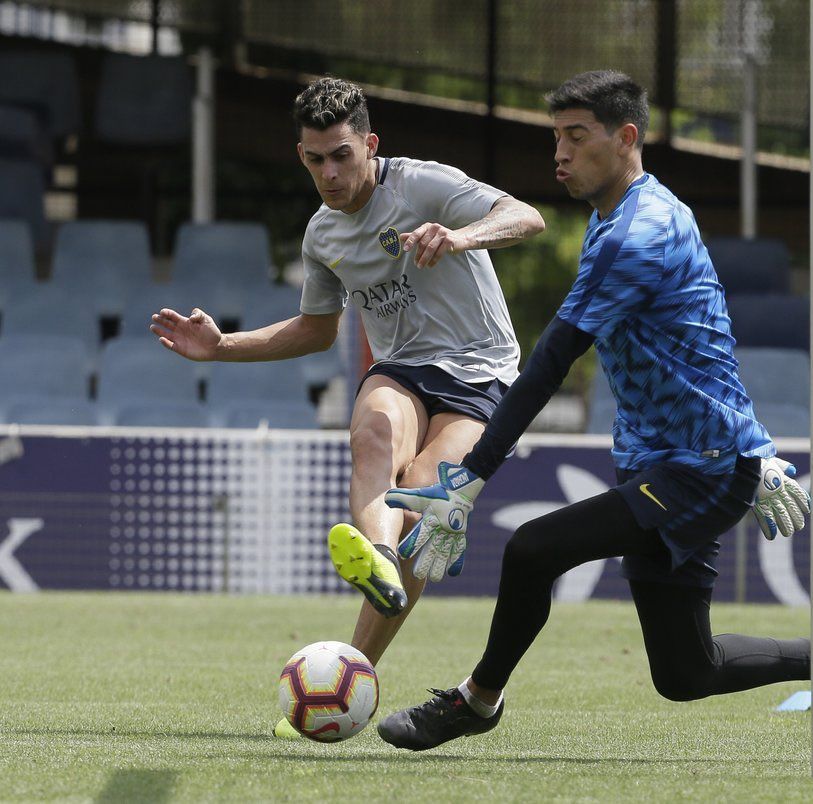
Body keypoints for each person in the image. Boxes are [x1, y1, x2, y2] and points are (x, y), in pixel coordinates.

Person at [373, 70, 813, 752]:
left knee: (533, 550)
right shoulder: (621, 217)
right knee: (686, 672)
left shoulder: (635, 235)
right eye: (554, 137)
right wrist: (754, 445)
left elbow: (551, 363)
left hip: (698, 469)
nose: (558, 154)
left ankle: (476, 701)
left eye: (575, 137)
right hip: (681, 460)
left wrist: (470, 478)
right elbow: (703, 332)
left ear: (625, 139)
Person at [148, 76, 546, 737]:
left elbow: (526, 217)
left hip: (480, 375)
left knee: (423, 494)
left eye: (340, 155)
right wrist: (221, 348)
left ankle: (351, 669)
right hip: (402, 369)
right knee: (372, 437)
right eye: (313, 159)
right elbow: (315, 329)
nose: (328, 173)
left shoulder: (423, 185)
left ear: (370, 144)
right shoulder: (322, 235)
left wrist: (462, 237)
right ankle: (379, 561)